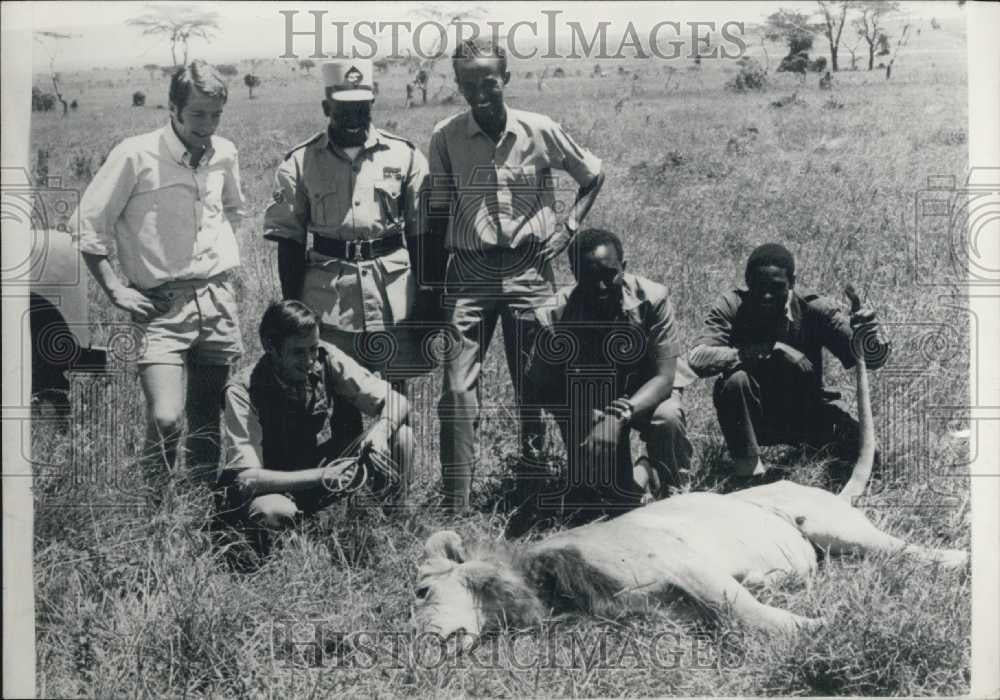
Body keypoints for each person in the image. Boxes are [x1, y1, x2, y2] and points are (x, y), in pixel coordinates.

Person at [425, 37, 605, 512]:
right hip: (467, 273)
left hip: (530, 270)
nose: (480, 93)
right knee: (457, 389)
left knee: (535, 380)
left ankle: (533, 483)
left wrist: (569, 227)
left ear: (506, 78)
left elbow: (592, 176)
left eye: (489, 82)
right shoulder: (445, 137)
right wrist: (431, 287)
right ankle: (456, 504)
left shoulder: (539, 130)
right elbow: (438, 214)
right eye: (469, 84)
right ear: (458, 85)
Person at [76, 60, 246, 487]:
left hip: (217, 299)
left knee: (209, 414)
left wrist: (219, 263)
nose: (207, 125)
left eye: (216, 114)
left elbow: (233, 209)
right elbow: (87, 225)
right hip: (160, 306)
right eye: (197, 115)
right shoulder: (135, 154)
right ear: (172, 108)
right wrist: (114, 288)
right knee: (167, 417)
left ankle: (202, 503)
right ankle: (157, 508)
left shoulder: (225, 152)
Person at [264, 58, 429, 454]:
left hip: (394, 294)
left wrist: (425, 300)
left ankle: (395, 491)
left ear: (373, 105)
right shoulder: (299, 163)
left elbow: (422, 235)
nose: (355, 117)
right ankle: (349, 489)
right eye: (344, 108)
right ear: (327, 108)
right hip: (329, 298)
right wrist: (295, 312)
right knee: (342, 398)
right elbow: (289, 241)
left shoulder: (404, 156)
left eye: (363, 107)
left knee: (395, 397)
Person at [511, 229, 696, 533]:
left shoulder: (652, 298)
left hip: (645, 391)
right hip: (589, 400)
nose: (600, 286)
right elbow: (540, 387)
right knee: (608, 506)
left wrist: (618, 415)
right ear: (573, 274)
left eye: (610, 274)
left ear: (624, 265)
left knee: (667, 418)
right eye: (589, 276)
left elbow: (664, 378)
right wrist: (583, 418)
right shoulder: (554, 315)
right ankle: (641, 472)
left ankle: (674, 489)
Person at [688, 243, 889, 486]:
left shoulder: (815, 309)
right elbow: (697, 358)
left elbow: (871, 361)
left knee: (868, 459)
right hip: (756, 417)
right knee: (734, 382)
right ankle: (748, 473)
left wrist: (868, 335)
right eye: (759, 287)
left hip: (806, 411)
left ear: (792, 282)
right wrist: (770, 350)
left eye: (776, 288)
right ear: (747, 281)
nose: (767, 296)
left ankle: (806, 454)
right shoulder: (732, 306)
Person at [219, 300, 413, 532]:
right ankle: (303, 543)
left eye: (312, 348)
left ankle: (390, 526)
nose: (310, 361)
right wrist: (322, 476)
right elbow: (248, 479)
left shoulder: (326, 357)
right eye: (298, 352)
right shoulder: (243, 391)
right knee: (273, 512)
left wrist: (381, 431)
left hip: (323, 471)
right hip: (274, 486)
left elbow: (397, 401)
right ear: (270, 346)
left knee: (401, 436)